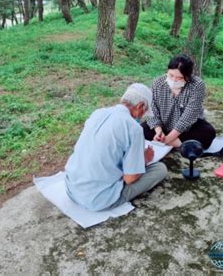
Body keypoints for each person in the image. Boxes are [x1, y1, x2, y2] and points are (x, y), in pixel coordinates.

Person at [65, 83, 168, 212]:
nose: (142, 116)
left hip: (71, 188)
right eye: (144, 111)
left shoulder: (98, 113)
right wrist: (144, 159)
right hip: (97, 199)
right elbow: (130, 179)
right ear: (140, 106)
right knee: (160, 169)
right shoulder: (134, 128)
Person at [142, 54, 216, 149]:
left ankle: (164, 143)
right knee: (140, 130)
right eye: (171, 75)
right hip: (163, 124)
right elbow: (152, 109)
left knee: (208, 132)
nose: (174, 80)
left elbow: (188, 117)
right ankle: (180, 144)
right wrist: (158, 131)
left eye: (179, 78)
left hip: (187, 128)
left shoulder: (197, 85)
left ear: (188, 77)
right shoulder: (158, 83)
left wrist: (166, 139)